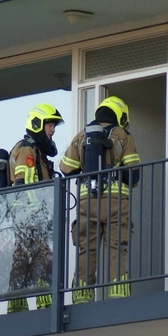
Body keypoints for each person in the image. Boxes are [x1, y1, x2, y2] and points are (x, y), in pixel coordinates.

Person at [60, 96, 140, 302]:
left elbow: (66, 168)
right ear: (120, 114)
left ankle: (82, 296)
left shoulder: (81, 136)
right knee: (117, 247)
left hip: (88, 202)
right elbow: (134, 174)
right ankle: (118, 294)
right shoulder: (123, 135)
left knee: (87, 248)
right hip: (116, 202)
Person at [6, 103, 64, 314]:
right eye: (50, 124)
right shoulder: (28, 148)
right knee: (41, 256)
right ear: (38, 124)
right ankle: (43, 301)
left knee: (25, 257)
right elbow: (27, 184)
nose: (53, 129)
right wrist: (39, 214)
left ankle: (18, 302)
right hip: (31, 215)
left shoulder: (34, 149)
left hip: (28, 216)